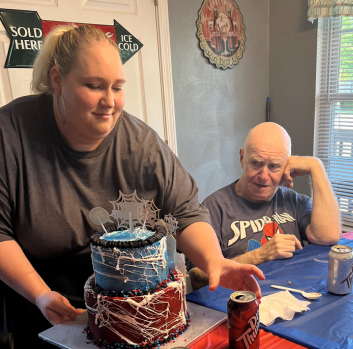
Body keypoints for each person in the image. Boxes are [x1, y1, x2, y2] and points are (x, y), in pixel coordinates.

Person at [0, 25, 264, 349]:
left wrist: (214, 260)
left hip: (135, 312)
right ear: (57, 81)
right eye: (94, 86)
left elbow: (184, 210)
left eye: (117, 87)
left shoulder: (140, 143)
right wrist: (40, 295)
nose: (109, 102)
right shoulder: (10, 133)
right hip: (43, 306)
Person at [189, 122, 341, 290]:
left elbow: (329, 236)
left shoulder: (293, 201)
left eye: (274, 166)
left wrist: (316, 167)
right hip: (241, 305)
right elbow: (196, 275)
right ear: (242, 158)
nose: (264, 176)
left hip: (293, 298)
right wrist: (260, 255)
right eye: (256, 163)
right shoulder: (214, 208)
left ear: (286, 166)